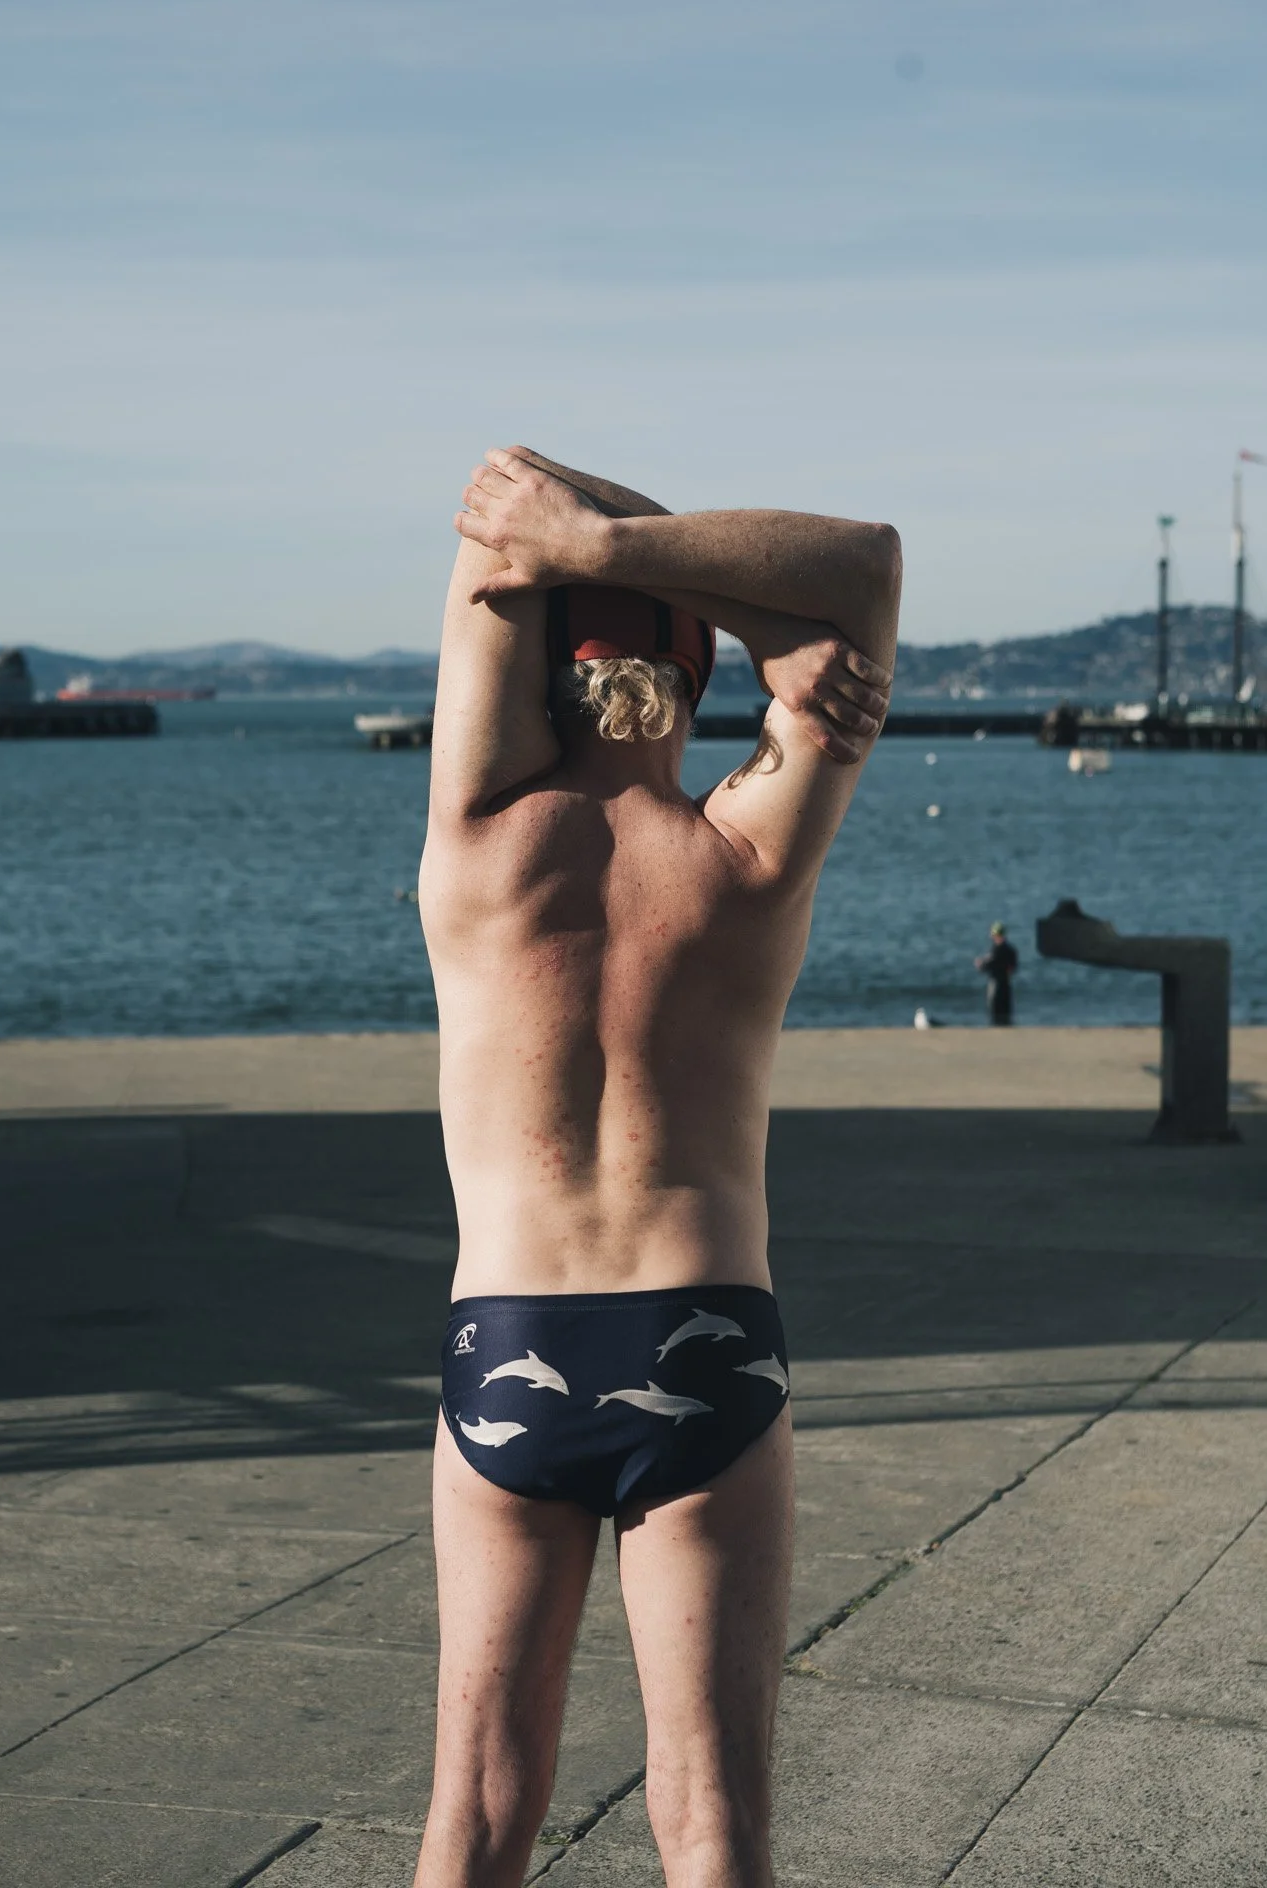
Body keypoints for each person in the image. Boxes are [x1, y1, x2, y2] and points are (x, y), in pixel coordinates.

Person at [415, 446, 901, 1888]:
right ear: (695, 687)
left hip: (508, 1338)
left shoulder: (479, 845)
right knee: (711, 1827)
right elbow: (864, 561)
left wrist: (571, 541)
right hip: (708, 1348)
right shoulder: (748, 853)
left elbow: (506, 506)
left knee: (478, 1815)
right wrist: (782, 643)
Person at [975, 921, 1019, 1026]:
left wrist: (980, 964)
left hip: (995, 983)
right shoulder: (1011, 950)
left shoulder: (996, 950)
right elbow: (1013, 968)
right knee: (1006, 1013)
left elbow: (988, 965)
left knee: (994, 1012)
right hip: (1006, 983)